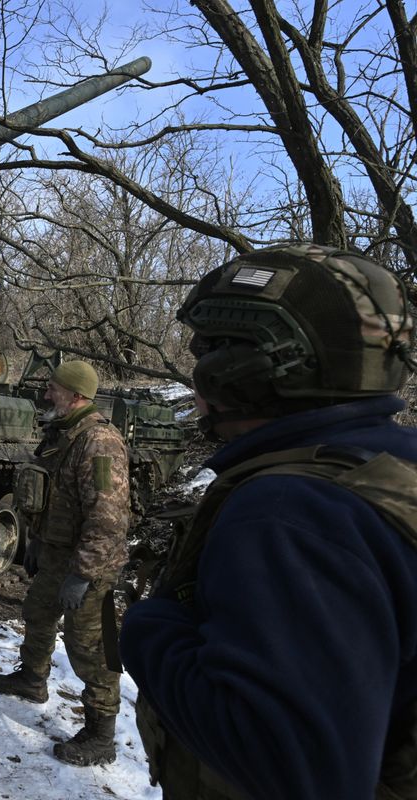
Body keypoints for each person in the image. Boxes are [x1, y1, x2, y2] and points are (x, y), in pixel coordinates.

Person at [119, 243, 417, 799]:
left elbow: (294, 768)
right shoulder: (388, 465)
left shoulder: (292, 513)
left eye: (208, 353)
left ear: (243, 372)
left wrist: (149, 629)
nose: (198, 375)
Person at [0, 359, 130, 766]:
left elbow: (108, 516)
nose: (46, 394)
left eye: (54, 389)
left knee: (91, 649)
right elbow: (47, 496)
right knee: (38, 612)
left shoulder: (99, 442)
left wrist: (83, 575)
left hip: (87, 565)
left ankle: (101, 736)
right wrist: (34, 540)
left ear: (77, 396)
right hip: (54, 554)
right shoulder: (61, 434)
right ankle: (32, 679)